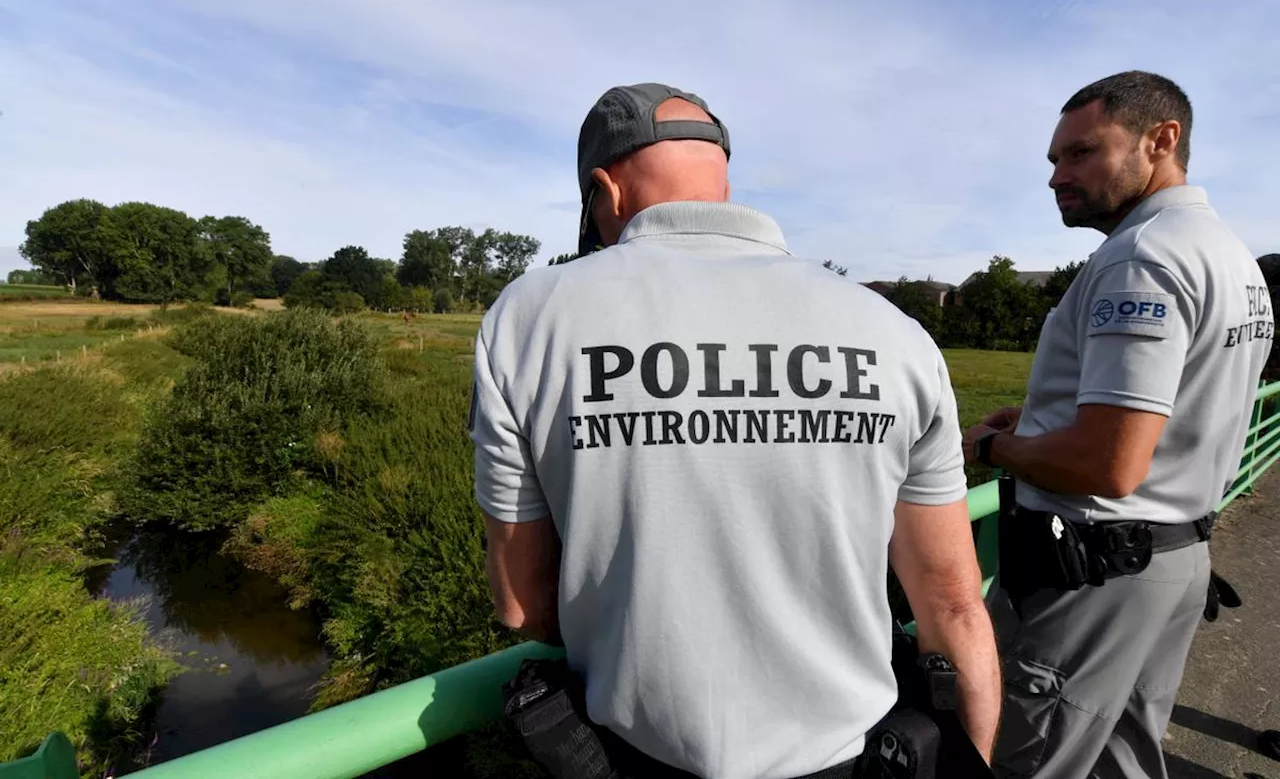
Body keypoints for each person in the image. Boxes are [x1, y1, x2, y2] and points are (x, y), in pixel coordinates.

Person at [470, 82, 1002, 778]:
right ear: (719, 174)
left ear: (607, 190)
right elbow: (956, 609)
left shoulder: (527, 318)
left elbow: (521, 602)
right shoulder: (895, 334)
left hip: (637, 755)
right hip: (862, 757)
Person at [963, 70, 1275, 779]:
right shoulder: (1230, 256)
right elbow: (1183, 397)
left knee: (1034, 760)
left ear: (1161, 140)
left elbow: (1111, 464)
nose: (1056, 177)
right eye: (1053, 159)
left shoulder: (1142, 257)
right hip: (1175, 558)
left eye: (1080, 153)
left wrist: (997, 445)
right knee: (1124, 761)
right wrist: (1047, 418)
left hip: (1093, 580)